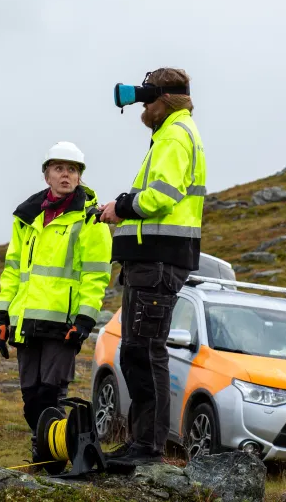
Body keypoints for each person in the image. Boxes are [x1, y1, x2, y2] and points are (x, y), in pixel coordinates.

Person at [97, 67, 207, 466]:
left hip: (159, 261)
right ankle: (142, 442)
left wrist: (120, 206)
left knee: (145, 352)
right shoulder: (171, 134)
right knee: (135, 352)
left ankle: (148, 447)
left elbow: (159, 197)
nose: (142, 107)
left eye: (146, 99)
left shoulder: (176, 136)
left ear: (164, 99)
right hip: (149, 260)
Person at [0, 141, 113, 464]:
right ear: (47, 174)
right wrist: (2, 316)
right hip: (25, 321)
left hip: (63, 323)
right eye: (59, 168)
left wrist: (85, 320)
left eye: (72, 169)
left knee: (51, 396)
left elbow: (97, 274)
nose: (66, 175)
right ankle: (47, 450)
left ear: (79, 177)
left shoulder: (90, 219)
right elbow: (12, 271)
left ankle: (52, 458)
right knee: (31, 398)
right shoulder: (26, 218)